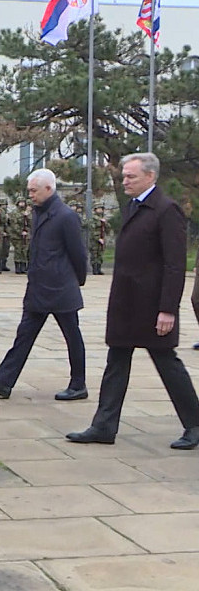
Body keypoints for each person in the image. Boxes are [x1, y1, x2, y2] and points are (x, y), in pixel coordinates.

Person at [68, 153, 199, 450]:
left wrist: (168, 309)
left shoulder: (167, 210)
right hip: (126, 303)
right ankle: (103, 426)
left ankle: (195, 424)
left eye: (131, 176)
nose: (124, 180)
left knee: (167, 362)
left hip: (152, 306)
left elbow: (175, 265)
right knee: (116, 362)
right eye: (124, 176)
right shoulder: (134, 207)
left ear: (150, 176)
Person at [0, 169, 88, 401]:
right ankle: (4, 381)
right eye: (29, 191)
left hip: (60, 287)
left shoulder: (65, 216)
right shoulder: (38, 212)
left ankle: (78, 384)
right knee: (24, 335)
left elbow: (78, 253)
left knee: (72, 336)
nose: (30, 195)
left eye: (34, 191)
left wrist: (77, 281)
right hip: (38, 287)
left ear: (49, 189)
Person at [8, 198, 31, 274]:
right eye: (20, 202)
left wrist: (28, 216)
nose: (22, 204)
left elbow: (31, 223)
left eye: (23, 202)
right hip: (17, 235)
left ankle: (23, 267)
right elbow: (14, 224)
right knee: (18, 250)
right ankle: (17, 267)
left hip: (26, 235)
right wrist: (21, 232)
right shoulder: (14, 213)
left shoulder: (27, 213)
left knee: (24, 250)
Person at [88, 203, 111, 275]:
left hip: (102, 238)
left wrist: (105, 223)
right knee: (94, 255)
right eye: (98, 209)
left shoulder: (103, 218)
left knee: (100, 254)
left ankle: (99, 268)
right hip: (94, 240)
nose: (100, 210)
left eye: (101, 209)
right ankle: (94, 269)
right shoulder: (93, 219)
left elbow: (108, 229)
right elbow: (92, 230)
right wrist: (98, 238)